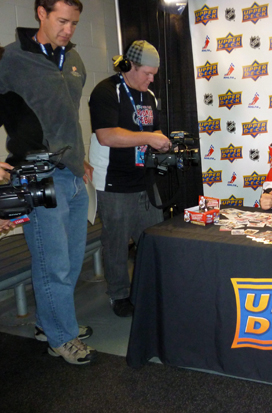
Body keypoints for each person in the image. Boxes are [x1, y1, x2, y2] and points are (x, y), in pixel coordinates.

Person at [0, 0, 96, 365]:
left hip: (70, 174)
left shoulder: (74, 61)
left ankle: (51, 323)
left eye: (74, 23)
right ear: (41, 13)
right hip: (36, 176)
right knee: (51, 262)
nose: (69, 30)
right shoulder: (12, 59)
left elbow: (67, 116)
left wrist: (80, 157)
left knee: (70, 262)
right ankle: (61, 336)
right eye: (62, 21)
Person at [88, 40, 171, 317]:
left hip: (143, 180)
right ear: (129, 66)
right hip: (114, 182)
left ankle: (150, 289)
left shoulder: (150, 96)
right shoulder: (106, 92)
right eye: (146, 73)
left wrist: (162, 145)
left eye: (154, 74)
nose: (151, 79)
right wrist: (149, 137)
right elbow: (107, 135)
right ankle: (119, 295)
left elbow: (154, 133)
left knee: (153, 239)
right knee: (116, 242)